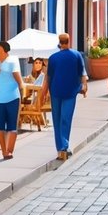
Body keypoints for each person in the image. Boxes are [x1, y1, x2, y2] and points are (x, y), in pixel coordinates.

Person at [42, 32, 88, 161]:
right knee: (66, 120)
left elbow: (48, 78)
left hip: (55, 91)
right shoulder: (77, 55)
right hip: (70, 92)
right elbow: (82, 73)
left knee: (56, 121)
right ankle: (64, 147)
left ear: (59, 42)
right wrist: (84, 87)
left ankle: (60, 150)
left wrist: (43, 94)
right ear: (69, 41)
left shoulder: (53, 58)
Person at [0, 41, 25, 159]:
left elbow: (19, 80)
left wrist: (22, 95)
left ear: (5, 51)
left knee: (12, 126)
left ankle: (9, 150)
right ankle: (4, 151)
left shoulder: (12, 61)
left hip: (12, 99)